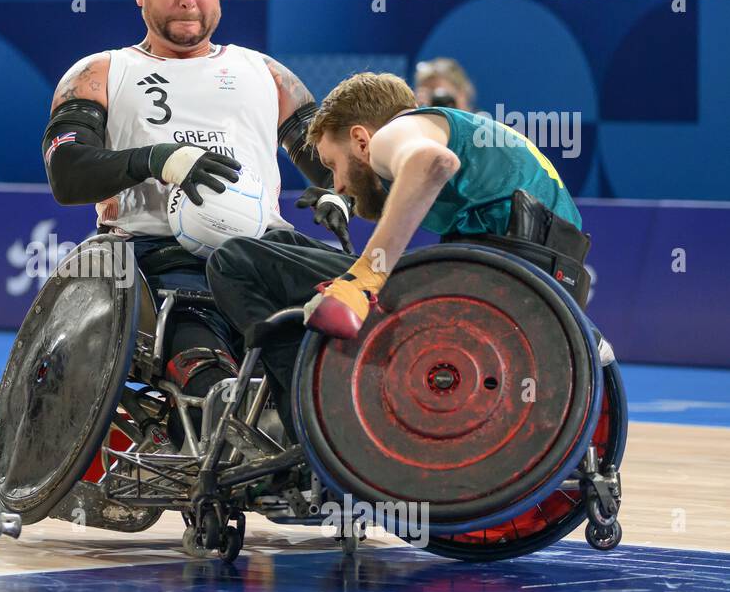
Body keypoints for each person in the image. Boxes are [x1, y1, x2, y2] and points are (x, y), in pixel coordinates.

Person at [41, 0, 322, 444]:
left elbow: (331, 166)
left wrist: (336, 192)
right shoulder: (102, 72)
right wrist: (156, 158)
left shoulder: (267, 74)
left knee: (349, 306)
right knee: (199, 336)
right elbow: (68, 171)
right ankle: (233, 425)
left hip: (267, 246)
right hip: (159, 254)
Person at [205, 72, 586, 436]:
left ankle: (305, 415)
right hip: (531, 292)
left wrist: (365, 278)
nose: (336, 183)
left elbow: (433, 163)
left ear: (360, 140)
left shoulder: (394, 133)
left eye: (332, 165)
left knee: (235, 259)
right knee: (286, 248)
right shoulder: (462, 131)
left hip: (493, 294)